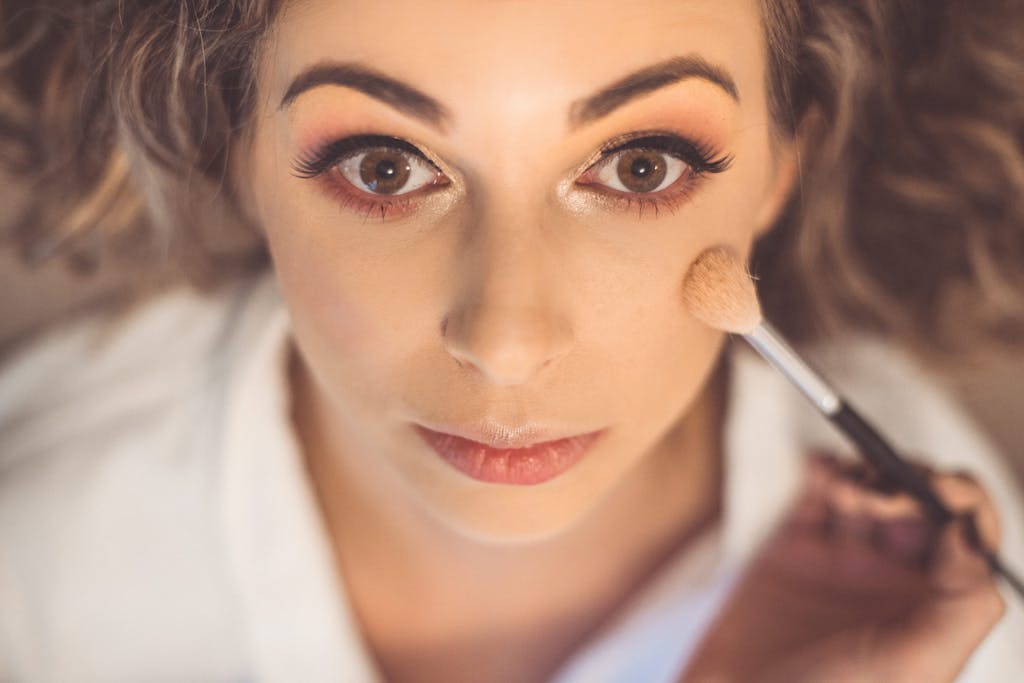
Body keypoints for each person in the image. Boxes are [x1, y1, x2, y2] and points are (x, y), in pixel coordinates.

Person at [1, 0, 1022, 680]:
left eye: (638, 166)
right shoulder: (38, 563)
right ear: (238, 158)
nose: (506, 342)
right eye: (385, 167)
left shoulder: (948, 599)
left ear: (781, 166)